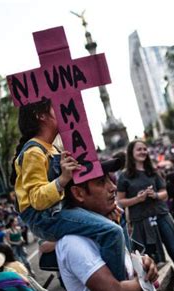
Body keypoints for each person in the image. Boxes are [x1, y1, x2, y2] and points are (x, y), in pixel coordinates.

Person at [10, 99, 126, 281]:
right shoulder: (33, 151)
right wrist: (63, 178)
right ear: (41, 116)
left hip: (58, 210)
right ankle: (119, 288)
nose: (61, 109)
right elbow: (36, 199)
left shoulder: (53, 147)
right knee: (111, 232)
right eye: (54, 107)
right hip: (45, 217)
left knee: (117, 216)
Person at [56, 158, 159, 291]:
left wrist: (143, 264)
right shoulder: (73, 242)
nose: (113, 187)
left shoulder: (108, 226)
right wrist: (145, 279)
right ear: (79, 194)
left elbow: (126, 273)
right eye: (101, 182)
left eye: (110, 180)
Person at [117, 140, 174, 291]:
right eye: (139, 149)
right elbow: (121, 201)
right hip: (141, 221)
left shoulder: (153, 171)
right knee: (146, 259)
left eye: (144, 149)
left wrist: (154, 195)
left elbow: (165, 194)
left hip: (161, 215)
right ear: (131, 153)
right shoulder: (124, 176)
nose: (143, 151)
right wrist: (138, 198)